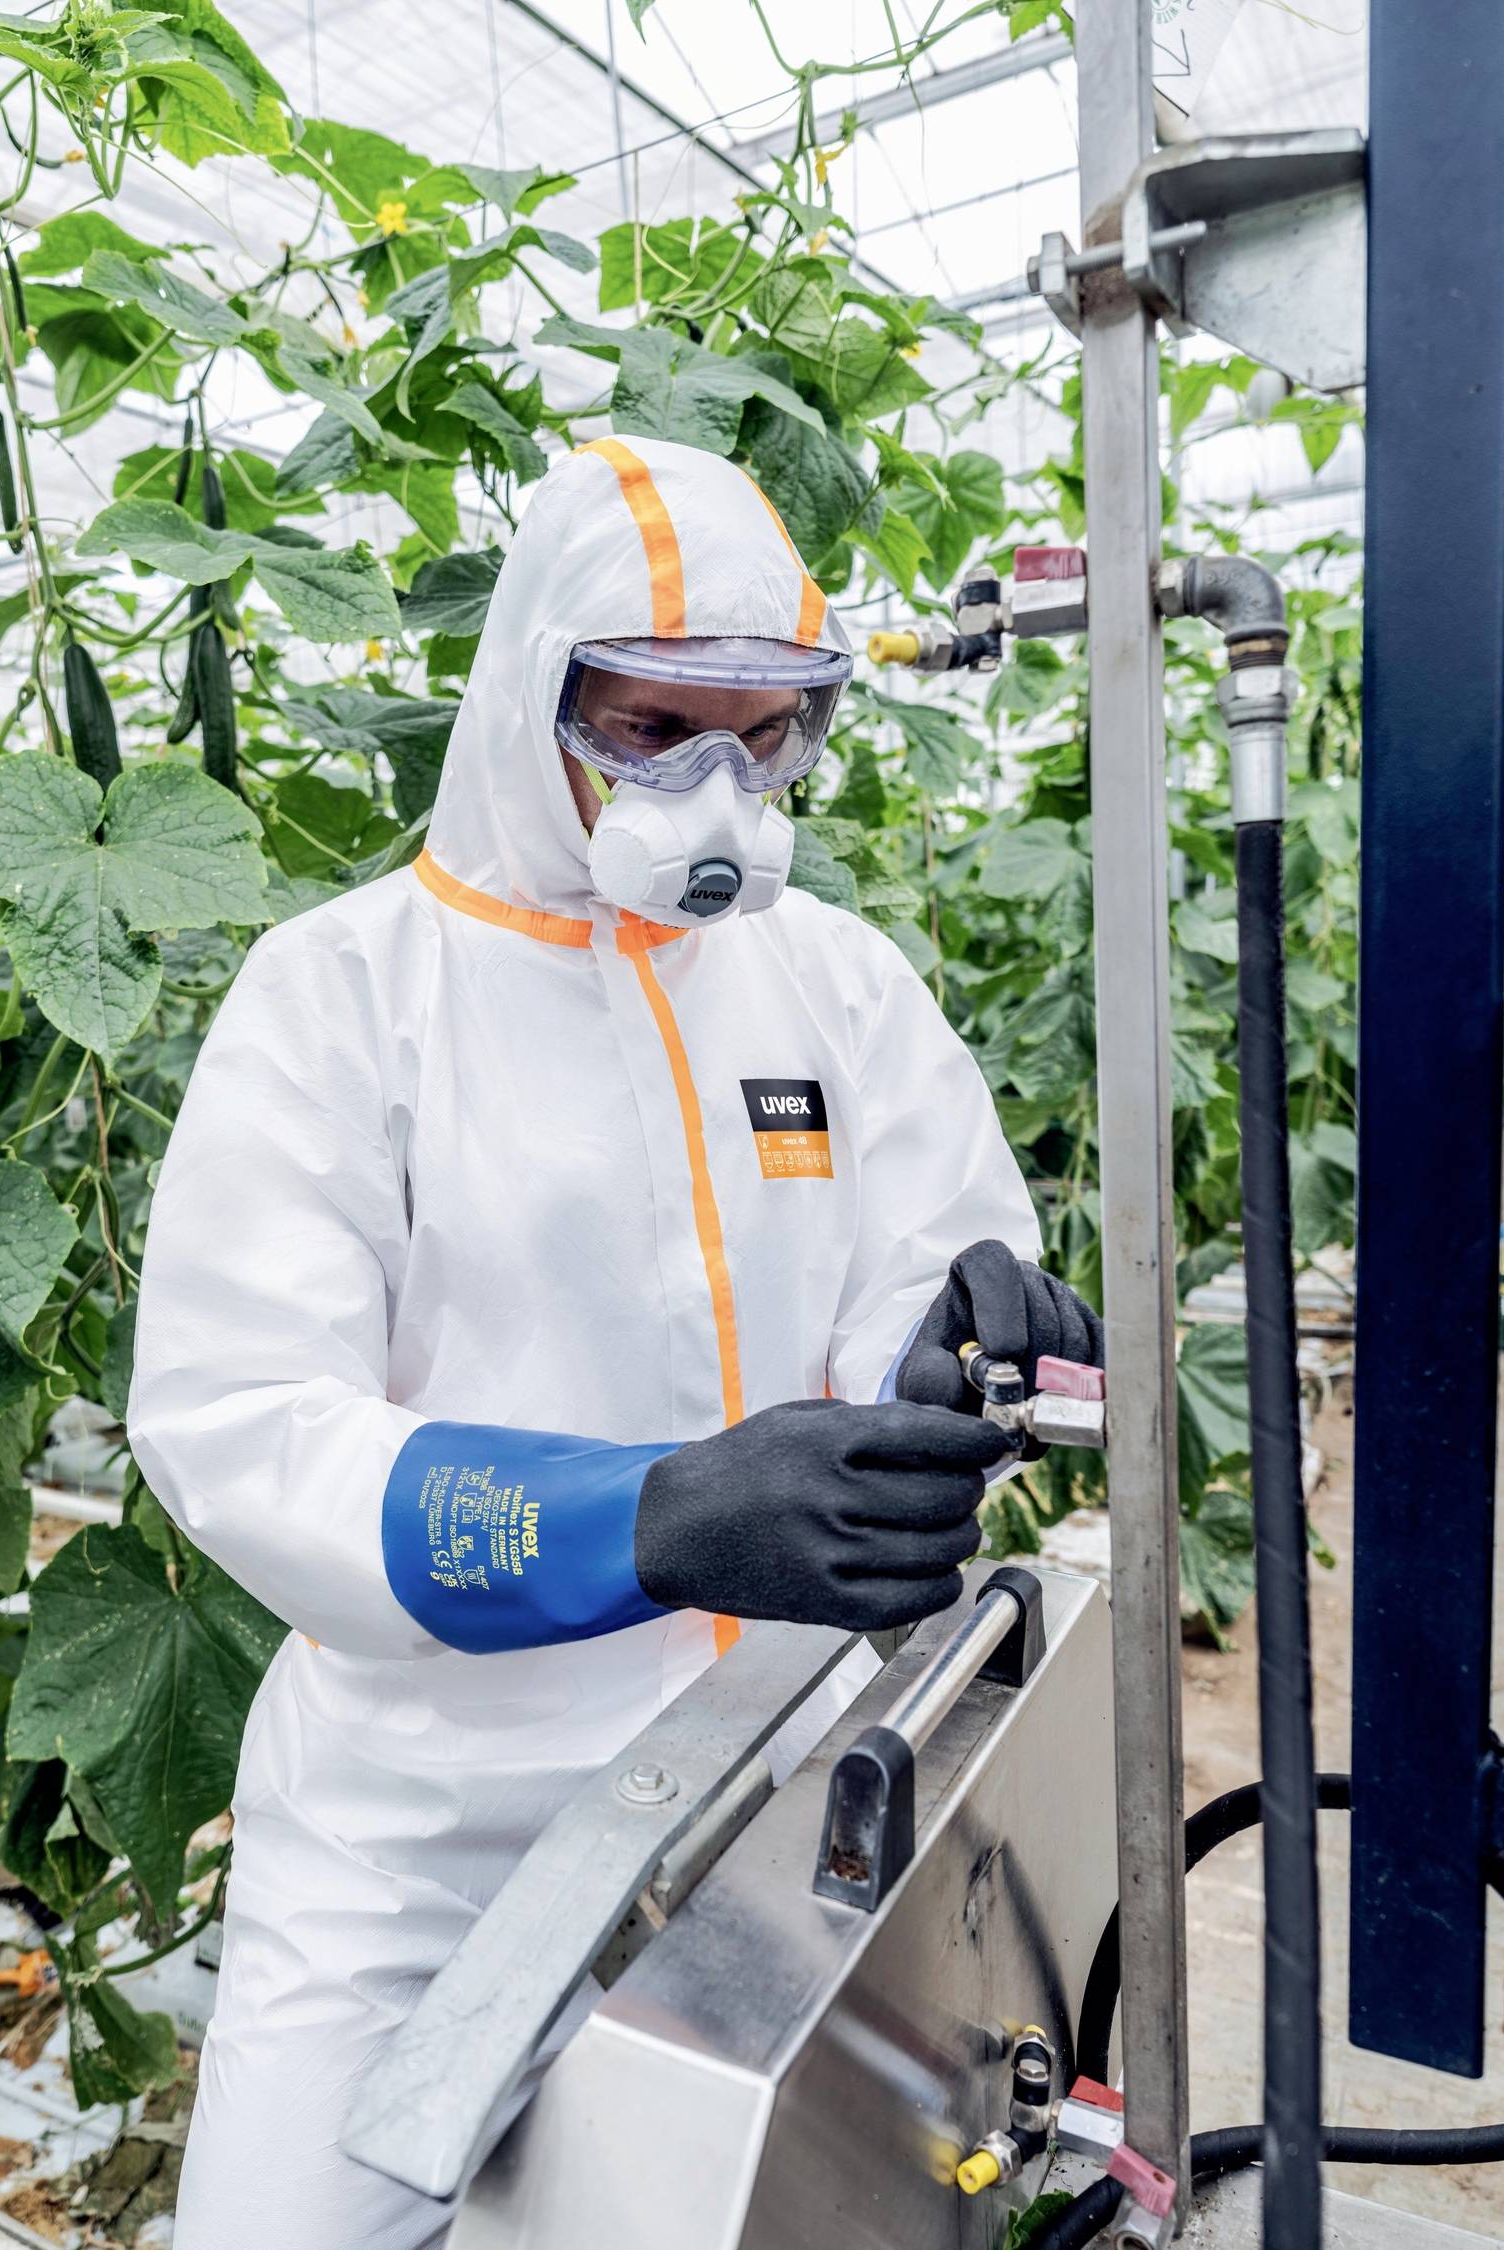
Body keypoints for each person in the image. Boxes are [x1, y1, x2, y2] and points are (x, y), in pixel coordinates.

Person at [126, 433, 1100, 2245]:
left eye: (769, 732)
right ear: (529, 703)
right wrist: (644, 1518)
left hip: (784, 1780)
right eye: (652, 734)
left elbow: (922, 1247)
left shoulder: (838, 984)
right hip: (422, 1839)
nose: (722, 792)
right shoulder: (346, 1002)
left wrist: (939, 1337)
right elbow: (241, 1421)